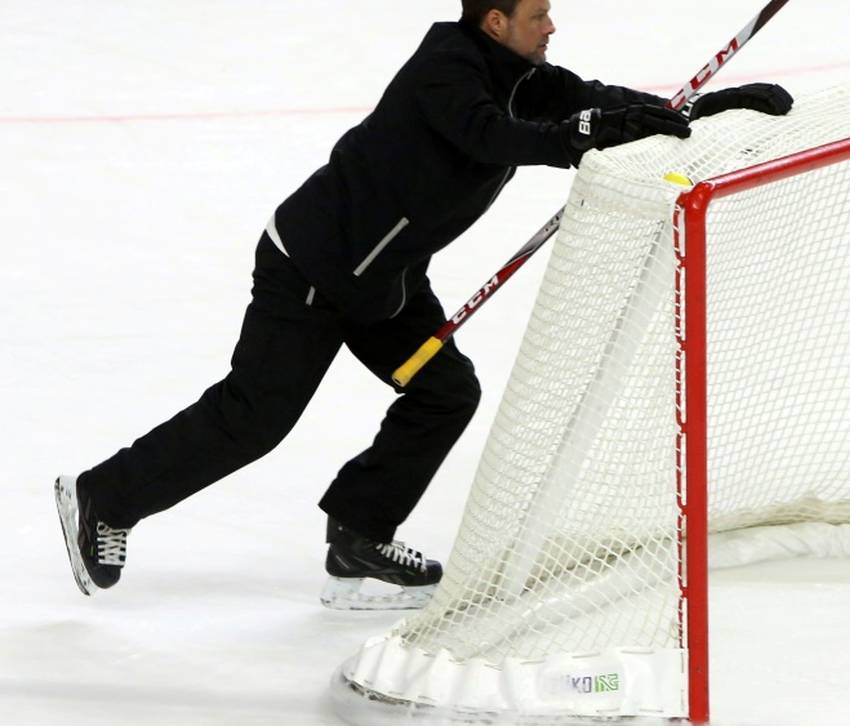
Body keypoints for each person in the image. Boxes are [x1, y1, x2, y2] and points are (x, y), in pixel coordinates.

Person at [54, 0, 793, 610]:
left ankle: (359, 532)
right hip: (312, 266)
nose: (552, 25)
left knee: (445, 391)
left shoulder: (524, 76)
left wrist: (707, 107)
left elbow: (599, 105)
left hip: (384, 280)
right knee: (254, 418)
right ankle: (105, 496)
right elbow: (492, 135)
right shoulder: (445, 71)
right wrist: (575, 138)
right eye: (538, 14)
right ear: (494, 21)